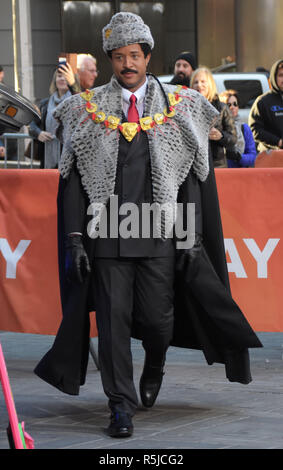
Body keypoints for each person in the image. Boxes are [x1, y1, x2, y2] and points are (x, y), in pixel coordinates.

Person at [34, 12, 262, 439]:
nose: (127, 64)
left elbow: (195, 182)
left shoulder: (183, 107)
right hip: (106, 239)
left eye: (134, 56)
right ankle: (120, 405)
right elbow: (73, 182)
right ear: (109, 61)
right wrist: (75, 240)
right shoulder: (84, 111)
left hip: (159, 235)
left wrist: (191, 237)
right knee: (113, 323)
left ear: (148, 56)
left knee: (158, 321)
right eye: (118, 57)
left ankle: (155, 362)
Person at [191, 67, 237, 168]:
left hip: (217, 165)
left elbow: (233, 139)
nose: (199, 85)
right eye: (196, 82)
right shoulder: (186, 107)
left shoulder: (222, 108)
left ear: (210, 84)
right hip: (193, 165)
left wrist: (221, 136)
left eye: (203, 81)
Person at [29, 68, 74, 168]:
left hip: (69, 158)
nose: (62, 79)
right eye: (59, 76)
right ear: (55, 80)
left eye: (65, 76)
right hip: (46, 157)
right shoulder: (45, 103)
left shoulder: (77, 102)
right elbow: (32, 124)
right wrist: (39, 133)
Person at [249, 59, 283, 152]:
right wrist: (278, 142)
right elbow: (255, 130)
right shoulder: (263, 101)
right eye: (281, 75)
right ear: (274, 77)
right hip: (270, 155)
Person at [219, 89, 257, 167]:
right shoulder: (217, 129)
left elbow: (253, 156)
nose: (233, 107)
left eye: (235, 104)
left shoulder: (244, 128)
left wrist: (239, 157)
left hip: (240, 174)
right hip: (221, 173)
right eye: (228, 104)